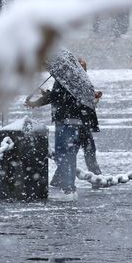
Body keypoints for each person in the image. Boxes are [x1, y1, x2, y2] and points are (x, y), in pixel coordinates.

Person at [25, 55, 102, 199]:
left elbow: (57, 97)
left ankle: (68, 188)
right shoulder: (80, 84)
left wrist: (37, 102)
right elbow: (60, 97)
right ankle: (81, 182)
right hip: (80, 125)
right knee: (75, 154)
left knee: (64, 155)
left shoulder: (65, 82)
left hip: (66, 124)